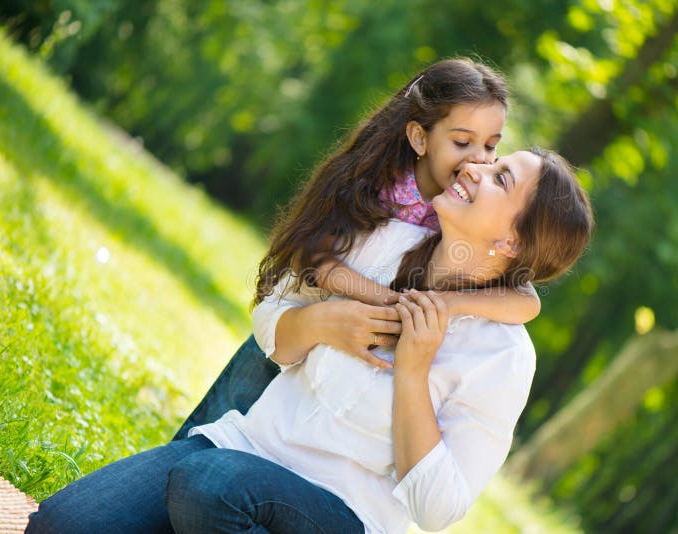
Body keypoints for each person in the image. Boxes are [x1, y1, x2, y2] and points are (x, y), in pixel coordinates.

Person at [27, 148, 593, 533]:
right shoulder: (388, 242)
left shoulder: (503, 357)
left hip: (341, 514)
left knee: (208, 488)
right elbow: (272, 315)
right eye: (490, 160)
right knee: (60, 524)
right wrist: (324, 324)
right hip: (245, 448)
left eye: (501, 178)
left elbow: (437, 508)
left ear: (514, 243)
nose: (474, 166)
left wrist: (413, 375)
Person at [173, 58, 540, 441]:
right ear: (419, 138)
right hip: (296, 323)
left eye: (491, 146)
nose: (478, 159)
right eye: (462, 142)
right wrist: (386, 300)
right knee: (205, 435)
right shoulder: (378, 185)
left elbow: (527, 302)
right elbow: (311, 257)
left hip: (332, 373)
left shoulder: (468, 213)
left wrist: (446, 305)